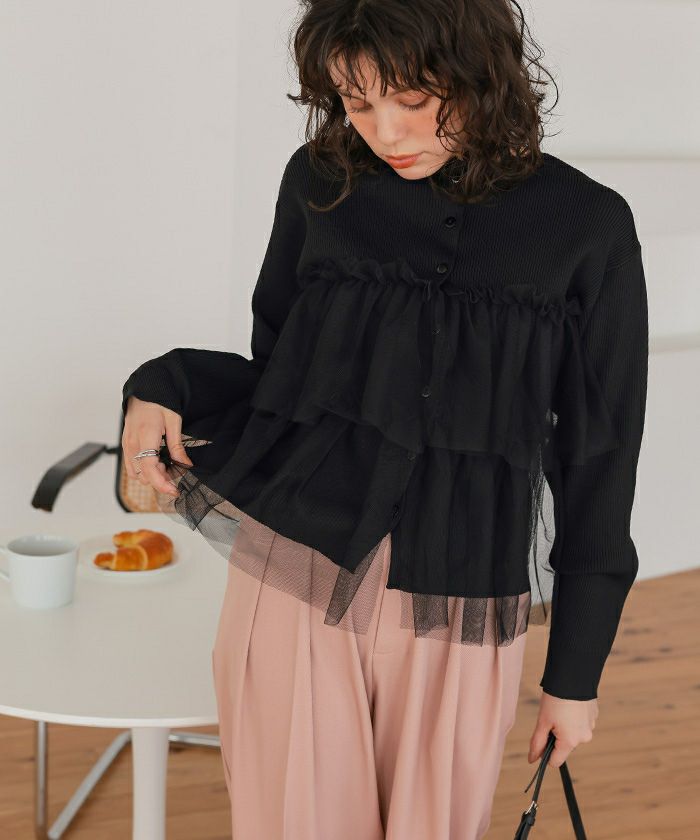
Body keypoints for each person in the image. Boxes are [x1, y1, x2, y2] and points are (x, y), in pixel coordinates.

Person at [120, 2, 648, 837]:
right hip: (295, 577)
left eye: (412, 98)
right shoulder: (319, 183)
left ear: (480, 73)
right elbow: (282, 385)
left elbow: (599, 463)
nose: (385, 132)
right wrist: (163, 383)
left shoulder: (588, 228)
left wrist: (574, 676)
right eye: (356, 102)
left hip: (460, 603)